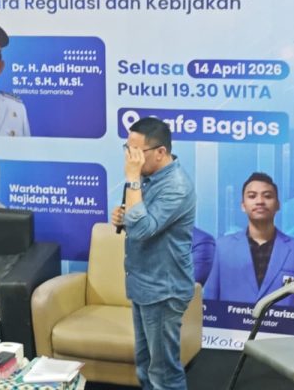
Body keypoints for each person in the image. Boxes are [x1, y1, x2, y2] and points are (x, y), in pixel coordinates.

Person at [111, 117, 195, 390]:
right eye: (128, 149)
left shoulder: (176, 186)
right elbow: (140, 222)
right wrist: (123, 218)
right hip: (144, 285)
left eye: (136, 152)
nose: (130, 159)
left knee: (164, 374)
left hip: (164, 290)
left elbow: (143, 229)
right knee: (146, 367)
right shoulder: (148, 178)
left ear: (160, 152)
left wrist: (132, 180)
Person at [204, 172, 294, 307]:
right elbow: (209, 303)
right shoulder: (220, 248)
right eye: (252, 196)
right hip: (230, 321)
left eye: (267, 196)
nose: (260, 201)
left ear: (278, 204)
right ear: (243, 205)